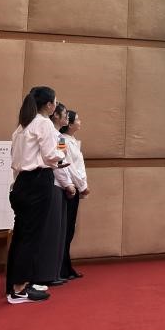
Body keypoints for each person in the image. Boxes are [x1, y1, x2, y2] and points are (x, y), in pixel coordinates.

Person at [6, 86, 66, 304]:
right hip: (38, 182)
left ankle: (16, 284)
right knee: (31, 236)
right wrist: (61, 155)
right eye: (55, 102)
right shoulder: (44, 123)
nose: (55, 105)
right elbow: (50, 155)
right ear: (49, 105)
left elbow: (16, 157)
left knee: (21, 235)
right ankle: (20, 289)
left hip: (21, 182)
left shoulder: (22, 125)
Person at [34, 103, 75, 286]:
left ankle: (54, 272)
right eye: (65, 113)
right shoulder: (52, 133)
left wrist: (68, 184)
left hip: (60, 186)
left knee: (59, 232)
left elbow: (63, 162)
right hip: (53, 185)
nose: (67, 117)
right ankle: (45, 274)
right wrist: (68, 184)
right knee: (51, 232)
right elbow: (57, 164)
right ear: (56, 115)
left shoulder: (60, 137)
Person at [60, 110, 90, 279]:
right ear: (69, 124)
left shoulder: (72, 141)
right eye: (77, 119)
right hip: (69, 188)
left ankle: (66, 266)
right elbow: (67, 166)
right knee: (66, 229)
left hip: (75, 187)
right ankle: (62, 268)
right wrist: (82, 185)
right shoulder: (61, 140)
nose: (80, 121)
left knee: (70, 229)